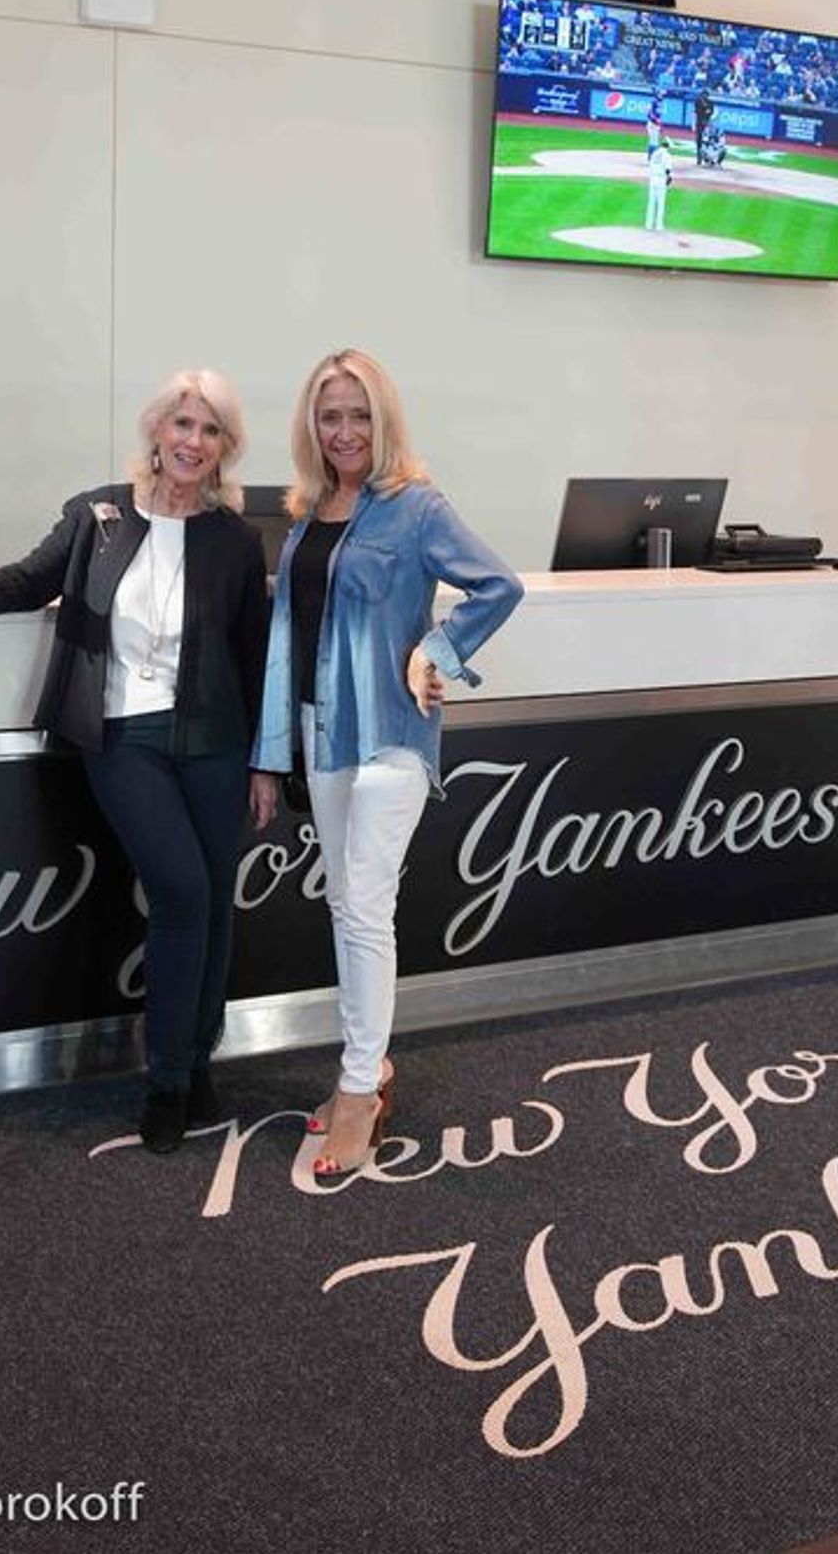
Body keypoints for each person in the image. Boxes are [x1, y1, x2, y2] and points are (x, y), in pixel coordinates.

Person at [0, 369, 279, 1153]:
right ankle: (166, 1077)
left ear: (226, 447)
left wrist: (266, 762)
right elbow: (33, 578)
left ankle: (198, 1062)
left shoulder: (234, 538)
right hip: (123, 738)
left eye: (211, 430)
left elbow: (255, 654)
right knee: (184, 891)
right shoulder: (98, 514)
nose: (193, 442)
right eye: (183, 425)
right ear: (157, 431)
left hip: (215, 742)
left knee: (214, 902)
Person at [252, 349, 522, 1177]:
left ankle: (361, 1086)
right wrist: (269, 756)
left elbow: (498, 587)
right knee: (346, 904)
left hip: (394, 737)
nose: (344, 431)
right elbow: (283, 642)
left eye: (359, 414)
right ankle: (367, 1065)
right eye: (330, 415)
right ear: (312, 426)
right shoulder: (306, 515)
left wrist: (436, 648)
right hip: (321, 732)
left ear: (384, 420)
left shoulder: (414, 507)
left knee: (365, 906)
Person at [645, 137, 673, 232]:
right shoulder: (667, 155)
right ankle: (658, 226)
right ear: (667, 146)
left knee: (651, 201)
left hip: (653, 178)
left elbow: (651, 165)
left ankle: (648, 225)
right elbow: (667, 169)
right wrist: (669, 179)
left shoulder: (654, 153)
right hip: (661, 179)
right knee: (660, 203)